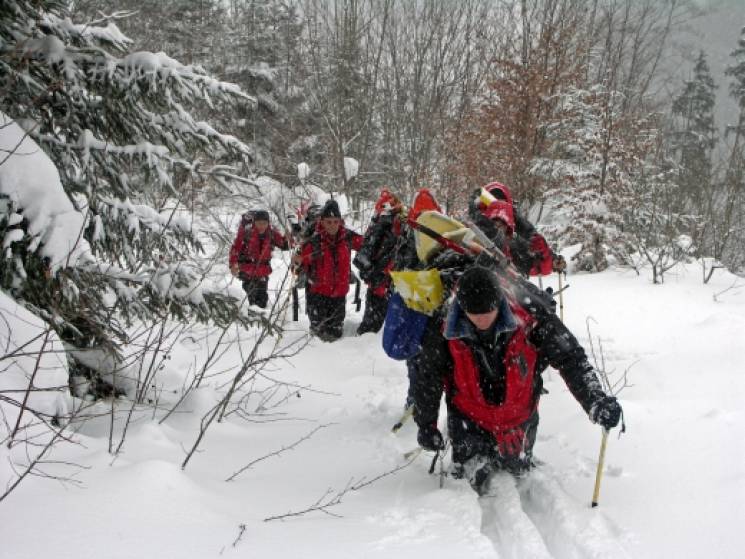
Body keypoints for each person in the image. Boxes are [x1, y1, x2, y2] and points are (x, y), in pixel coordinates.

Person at [412, 265, 622, 494]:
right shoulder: (442, 329)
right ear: (461, 307)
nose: (481, 319)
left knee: (517, 469)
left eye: (488, 311)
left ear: (499, 301)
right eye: (474, 313)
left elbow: (571, 358)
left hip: (519, 418)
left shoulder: (533, 319)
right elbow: (427, 379)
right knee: (469, 482)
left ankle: (515, 457)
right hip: (468, 419)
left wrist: (595, 400)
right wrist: (426, 425)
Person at [292, 199, 364, 341]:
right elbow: (297, 265)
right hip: (317, 296)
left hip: (339, 295)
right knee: (318, 337)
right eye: (328, 222)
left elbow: (368, 245)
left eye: (335, 221)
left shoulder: (348, 237)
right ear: (322, 221)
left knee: (336, 334)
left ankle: (334, 361)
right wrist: (297, 262)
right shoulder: (313, 241)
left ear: (340, 221)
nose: (332, 225)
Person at [468, 182, 566, 277]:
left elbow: (534, 262)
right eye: (494, 206)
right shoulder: (469, 233)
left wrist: (549, 257)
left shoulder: (513, 245)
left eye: (503, 207)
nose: (498, 224)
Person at [353, 188, 404, 335]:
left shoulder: (383, 225)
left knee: (372, 328)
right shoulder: (390, 226)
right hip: (385, 285)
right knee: (379, 329)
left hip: (381, 285)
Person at [229, 209, 290, 309]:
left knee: (262, 299)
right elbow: (235, 249)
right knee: (251, 297)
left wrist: (287, 238)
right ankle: (250, 317)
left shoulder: (271, 233)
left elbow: (284, 245)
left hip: (263, 271)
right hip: (247, 270)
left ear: (268, 223)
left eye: (264, 223)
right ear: (254, 222)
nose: (262, 226)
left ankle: (259, 318)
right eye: (259, 223)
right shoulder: (246, 233)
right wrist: (233, 265)